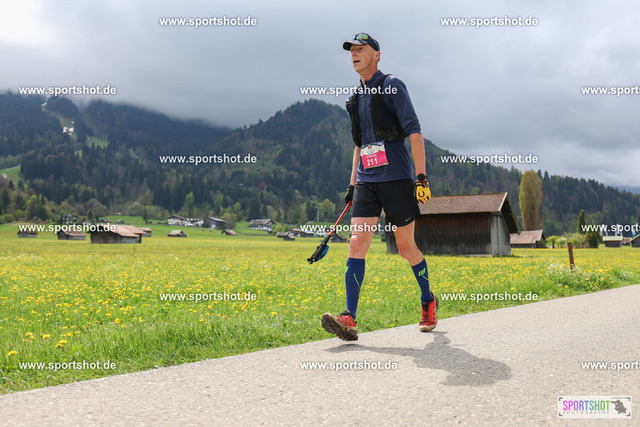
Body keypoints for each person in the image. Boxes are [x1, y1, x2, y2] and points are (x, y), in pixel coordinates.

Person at [321, 32, 437, 341]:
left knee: (405, 247)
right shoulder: (356, 97)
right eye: (351, 50)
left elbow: (414, 131)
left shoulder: (392, 86)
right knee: (356, 243)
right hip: (367, 182)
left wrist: (421, 178)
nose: (354, 53)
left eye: (361, 49)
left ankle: (428, 300)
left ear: (377, 55)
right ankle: (349, 318)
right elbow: (359, 144)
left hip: (396, 177)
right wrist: (352, 184)